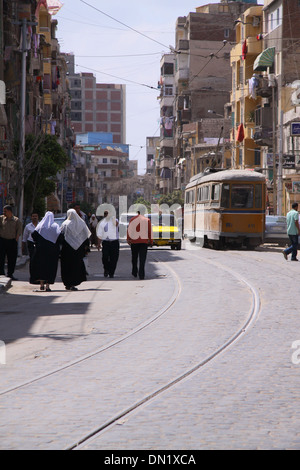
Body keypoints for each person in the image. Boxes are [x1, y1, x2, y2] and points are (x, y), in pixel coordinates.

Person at [59, 208, 91, 291]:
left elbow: (61, 236)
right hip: (78, 249)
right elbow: (86, 236)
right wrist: (86, 247)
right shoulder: (81, 223)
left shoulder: (65, 224)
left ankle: (68, 283)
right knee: (75, 266)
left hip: (67, 250)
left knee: (67, 266)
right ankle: (73, 283)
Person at [30, 211, 61, 291]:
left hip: (40, 251)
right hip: (52, 252)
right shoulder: (55, 226)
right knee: (50, 267)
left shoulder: (40, 226)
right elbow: (60, 237)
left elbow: (33, 235)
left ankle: (41, 285)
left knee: (41, 267)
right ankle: (47, 286)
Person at [127, 208, 153, 280]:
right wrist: (151, 241)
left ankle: (134, 271)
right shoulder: (147, 220)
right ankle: (141, 274)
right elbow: (150, 231)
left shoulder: (132, 220)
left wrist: (128, 239)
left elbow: (129, 230)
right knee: (142, 259)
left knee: (134, 257)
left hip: (134, 242)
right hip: (143, 242)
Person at [0, 205, 22, 280]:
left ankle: (10, 274)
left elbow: (19, 231)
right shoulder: (1, 218)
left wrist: (16, 239)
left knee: (12, 259)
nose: (4, 212)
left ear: (9, 211)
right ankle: (1, 273)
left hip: (12, 241)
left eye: (5, 211)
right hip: (2, 241)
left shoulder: (16, 220)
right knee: (1, 257)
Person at [97, 210, 119, 278]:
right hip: (106, 243)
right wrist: (98, 244)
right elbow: (99, 234)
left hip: (114, 242)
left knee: (114, 259)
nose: (107, 215)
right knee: (105, 257)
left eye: (108, 214)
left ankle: (111, 272)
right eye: (105, 214)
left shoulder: (115, 220)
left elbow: (116, 224)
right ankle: (106, 269)